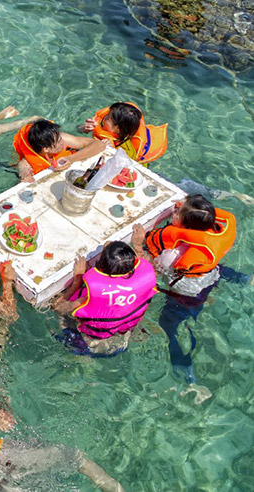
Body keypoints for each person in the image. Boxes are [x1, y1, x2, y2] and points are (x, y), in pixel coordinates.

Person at [131, 194, 237, 383]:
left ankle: (182, 363)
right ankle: (242, 278)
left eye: (178, 210)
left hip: (187, 294)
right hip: (209, 275)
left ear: (187, 227)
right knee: (217, 272)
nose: (174, 209)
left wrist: (138, 245)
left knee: (168, 325)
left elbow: (153, 269)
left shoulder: (174, 254)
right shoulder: (211, 232)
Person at [53, 242, 157, 357]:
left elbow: (57, 307)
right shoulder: (145, 280)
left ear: (101, 267)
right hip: (122, 338)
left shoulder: (90, 296)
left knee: (62, 317)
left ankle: (84, 359)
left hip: (89, 345)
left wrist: (77, 281)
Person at [13, 118, 106, 182]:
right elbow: (24, 172)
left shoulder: (61, 138)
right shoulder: (27, 161)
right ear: (46, 149)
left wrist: (71, 158)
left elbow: (99, 144)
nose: (63, 141)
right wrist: (27, 176)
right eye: (59, 141)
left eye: (60, 137)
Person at [80, 102, 168, 164]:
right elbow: (79, 130)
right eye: (108, 114)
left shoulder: (126, 148)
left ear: (118, 129)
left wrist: (110, 150)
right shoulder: (104, 121)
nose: (104, 117)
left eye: (108, 119)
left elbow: (122, 165)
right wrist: (84, 128)